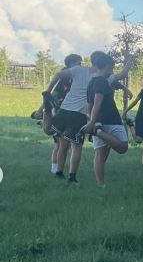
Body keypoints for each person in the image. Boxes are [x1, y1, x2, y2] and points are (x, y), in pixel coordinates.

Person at [44, 52, 130, 184]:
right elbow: (121, 75)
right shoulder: (102, 78)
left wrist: (48, 92)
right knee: (77, 147)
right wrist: (129, 61)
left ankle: (59, 172)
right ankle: (72, 177)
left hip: (65, 109)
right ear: (104, 64)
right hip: (79, 114)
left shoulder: (79, 70)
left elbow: (58, 75)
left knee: (60, 142)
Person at [84, 53, 130, 187]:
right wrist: (92, 123)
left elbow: (89, 105)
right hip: (110, 120)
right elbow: (97, 102)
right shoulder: (101, 81)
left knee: (100, 153)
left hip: (98, 121)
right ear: (107, 66)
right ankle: (98, 132)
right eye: (112, 67)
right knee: (123, 147)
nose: (112, 70)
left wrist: (91, 120)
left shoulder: (91, 83)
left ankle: (101, 185)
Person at [32, 53, 78, 174]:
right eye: (78, 62)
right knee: (60, 143)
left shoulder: (79, 78)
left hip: (69, 112)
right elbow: (53, 94)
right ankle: (55, 169)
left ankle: (56, 169)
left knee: (61, 142)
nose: (81, 65)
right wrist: (40, 109)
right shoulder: (65, 77)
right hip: (61, 111)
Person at [123, 74, 143, 167]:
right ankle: (131, 124)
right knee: (138, 140)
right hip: (141, 117)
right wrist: (126, 111)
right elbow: (136, 101)